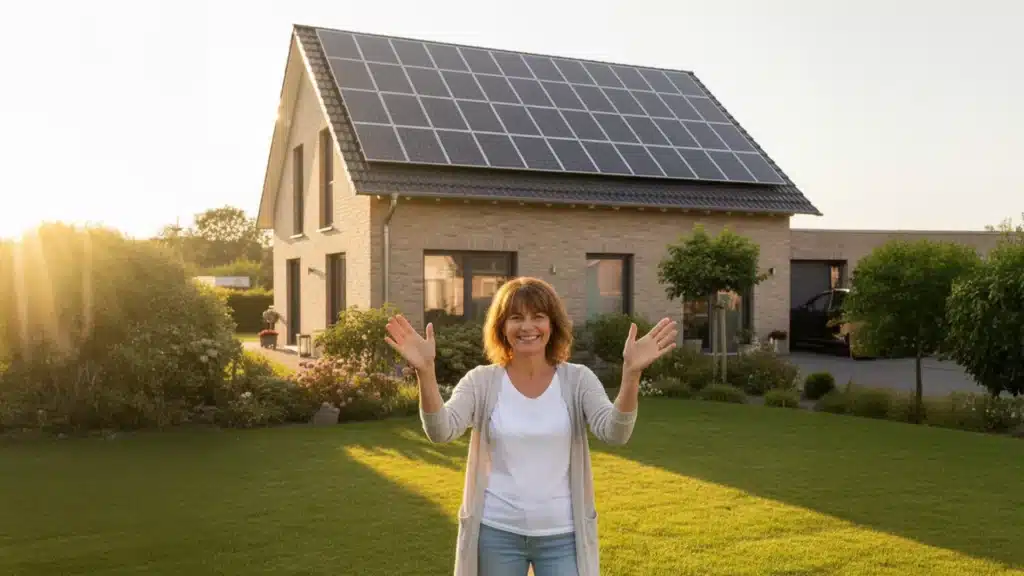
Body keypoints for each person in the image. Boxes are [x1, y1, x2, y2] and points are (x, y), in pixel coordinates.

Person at [384, 276, 678, 576]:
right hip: (497, 533)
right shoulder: (481, 382)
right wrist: (426, 372)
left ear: (553, 325)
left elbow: (615, 432)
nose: (527, 327)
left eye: (538, 317)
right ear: (501, 327)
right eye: (516, 318)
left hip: (563, 535)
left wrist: (631, 375)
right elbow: (441, 430)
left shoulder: (578, 380)